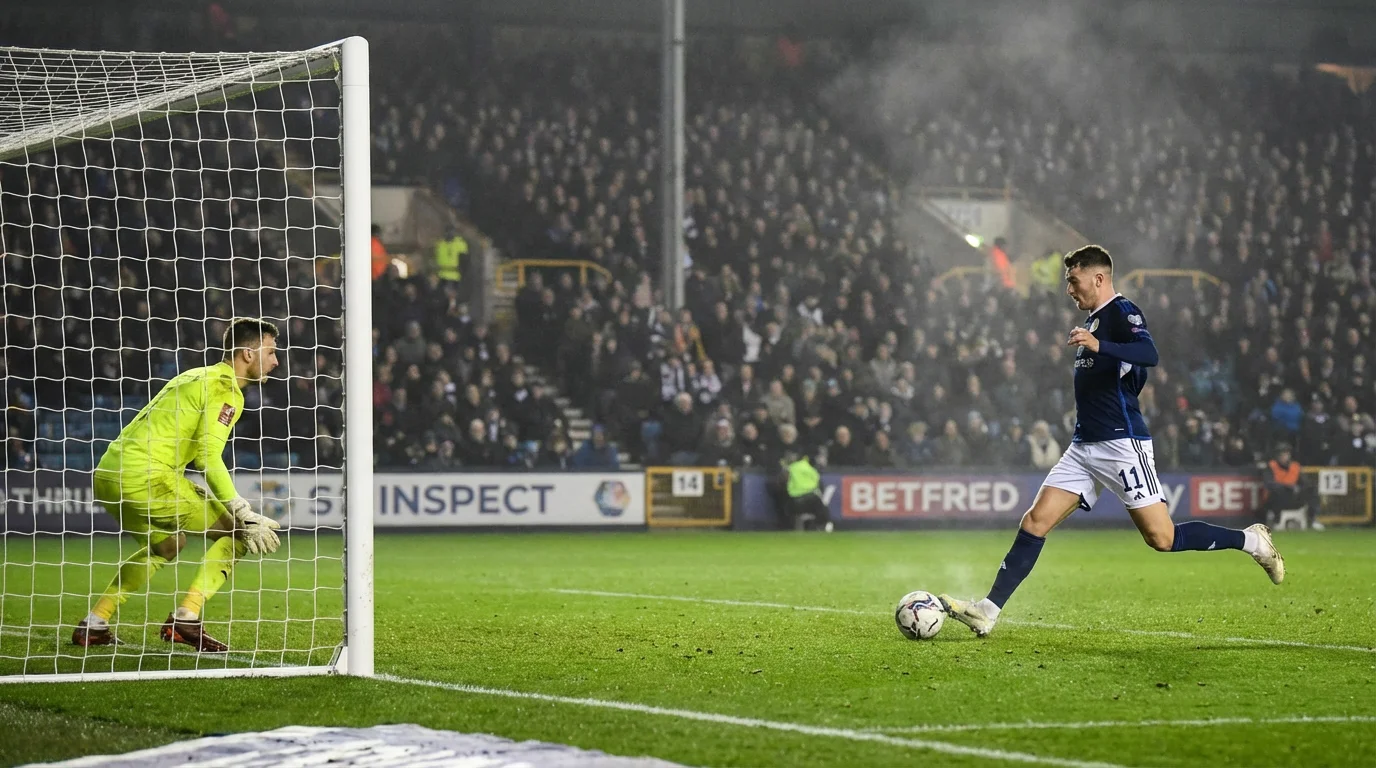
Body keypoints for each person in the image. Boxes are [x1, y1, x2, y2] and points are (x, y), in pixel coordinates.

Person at [939, 246, 1284, 638]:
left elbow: (1149, 353)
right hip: (1084, 446)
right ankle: (988, 610)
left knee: (1162, 538)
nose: (1069, 288)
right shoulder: (1094, 321)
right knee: (1035, 521)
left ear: (1098, 278)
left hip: (1122, 443)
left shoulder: (1122, 312)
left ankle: (1252, 541)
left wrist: (1100, 345)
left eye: (1074, 279)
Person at [72, 318, 283, 652]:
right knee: (239, 532)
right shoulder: (225, 390)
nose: (275, 361)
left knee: (167, 546)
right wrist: (243, 510)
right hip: (147, 479)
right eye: (271, 352)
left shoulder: (195, 374)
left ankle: (95, 623)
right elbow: (208, 458)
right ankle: (187, 617)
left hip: (109, 475)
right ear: (247, 353)